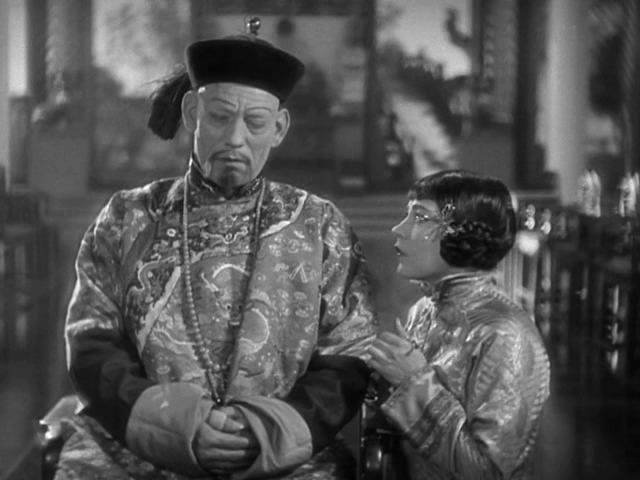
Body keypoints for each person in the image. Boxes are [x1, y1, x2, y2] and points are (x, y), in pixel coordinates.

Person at [57, 18, 375, 480]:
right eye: (220, 117)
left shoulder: (320, 225)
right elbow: (91, 340)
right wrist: (176, 426)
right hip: (140, 447)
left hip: (277, 451)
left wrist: (262, 431)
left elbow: (350, 351)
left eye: (255, 122)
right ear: (191, 114)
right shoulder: (128, 217)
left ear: (279, 128)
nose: (235, 138)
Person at [366, 170, 550, 479]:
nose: (399, 229)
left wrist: (413, 383)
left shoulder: (505, 334)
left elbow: (488, 472)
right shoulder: (424, 310)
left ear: (462, 234)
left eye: (420, 218)